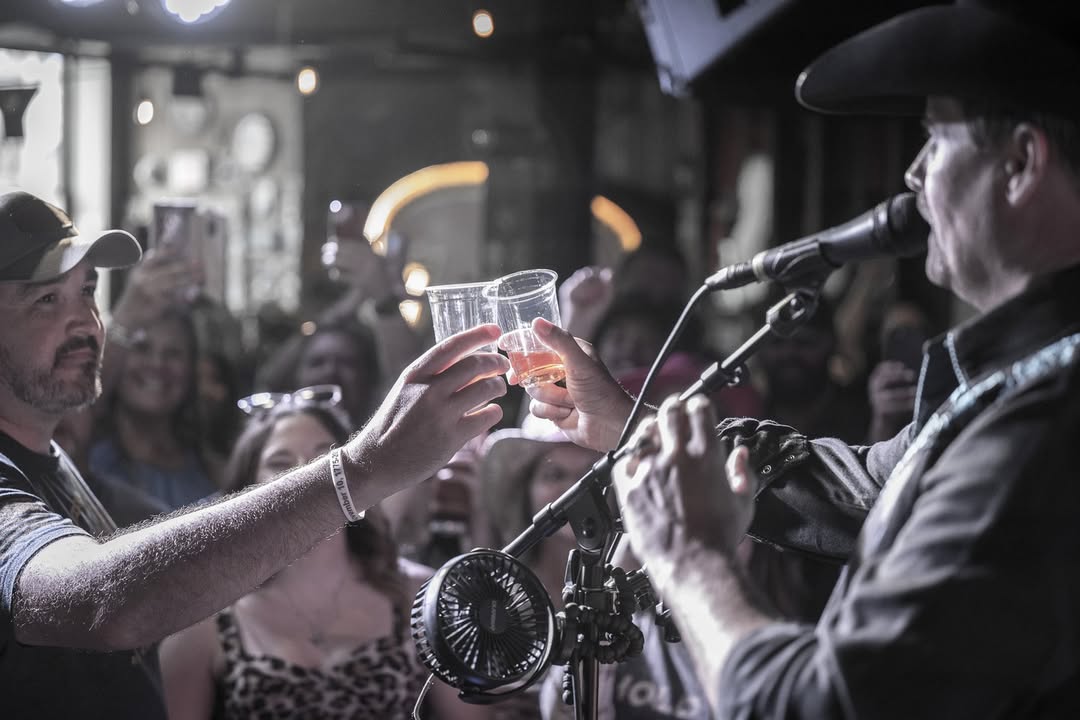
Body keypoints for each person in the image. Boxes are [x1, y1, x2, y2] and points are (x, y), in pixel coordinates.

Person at [520, 2, 1080, 716]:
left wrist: (691, 560)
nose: (912, 175)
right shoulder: (1018, 388)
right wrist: (630, 425)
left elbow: (821, 705)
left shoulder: (1044, 426)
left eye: (936, 138)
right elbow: (863, 484)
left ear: (1021, 162)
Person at [0, 190, 508, 718]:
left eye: (87, 291)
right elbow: (101, 605)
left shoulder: (54, 460)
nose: (86, 321)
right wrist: (360, 468)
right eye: (46, 300)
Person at [160, 394, 477, 720]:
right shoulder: (202, 623)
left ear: (358, 476)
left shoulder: (425, 595)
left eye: (326, 457)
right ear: (246, 488)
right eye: (280, 462)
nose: (306, 474)